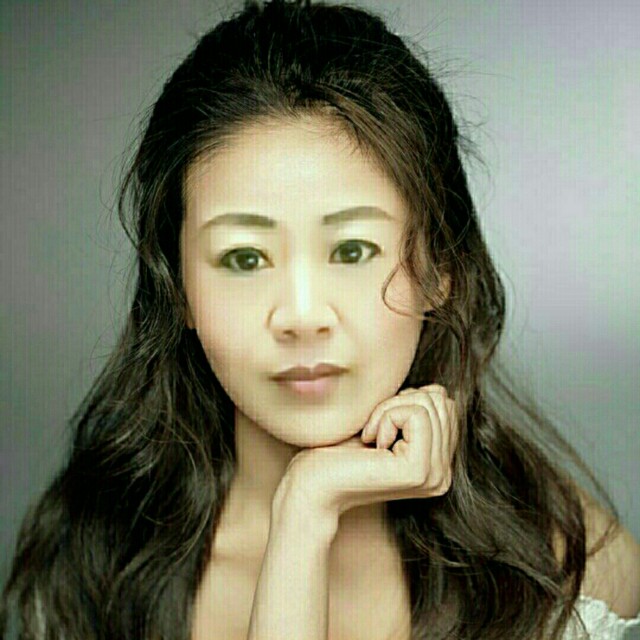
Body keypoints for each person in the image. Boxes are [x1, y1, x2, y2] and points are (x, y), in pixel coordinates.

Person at [2, 1, 639, 638]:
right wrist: (304, 515)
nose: (302, 316)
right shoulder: (92, 570)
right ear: (179, 291)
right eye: (245, 258)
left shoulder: (570, 566)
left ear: (440, 268)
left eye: (353, 250)